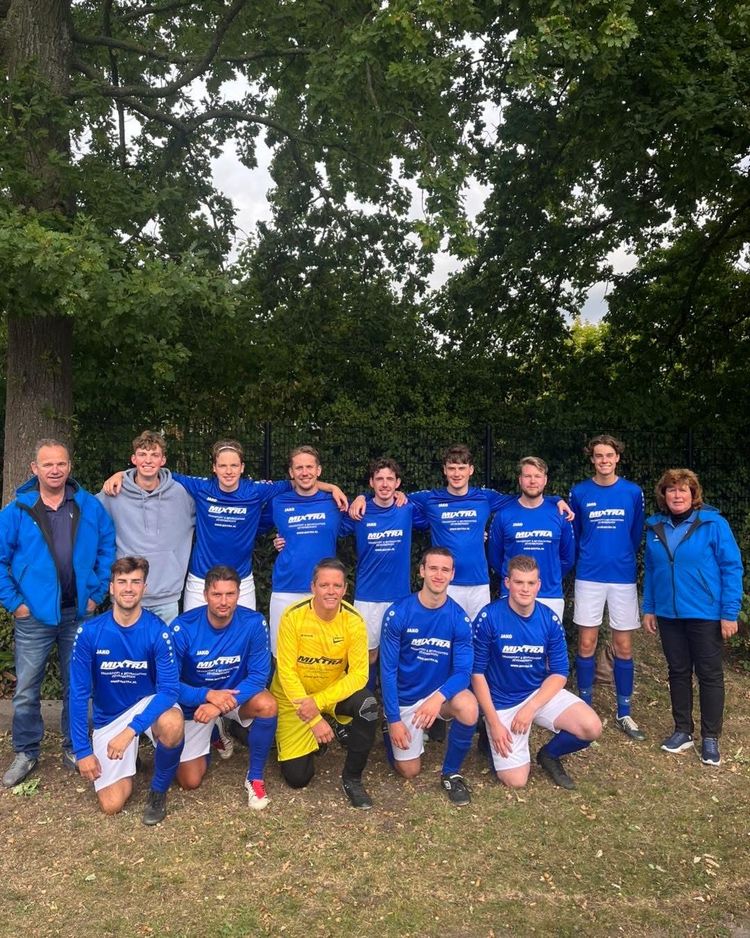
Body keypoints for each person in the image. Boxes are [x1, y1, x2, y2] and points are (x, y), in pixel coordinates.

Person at [103, 439, 346, 614]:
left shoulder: (256, 490)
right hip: (200, 579)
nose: (228, 471)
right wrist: (122, 474)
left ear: (242, 467)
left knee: (242, 638)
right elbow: (153, 471)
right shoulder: (201, 487)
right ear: (214, 468)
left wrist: (332, 487)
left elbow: (299, 481)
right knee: (194, 640)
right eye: (222, 466)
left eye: (234, 466)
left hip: (242, 580)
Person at [0, 439, 116, 788]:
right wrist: (15, 604)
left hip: (78, 614)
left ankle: (74, 746)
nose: (55, 470)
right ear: (34, 468)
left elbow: (107, 548)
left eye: (61, 463)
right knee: (26, 689)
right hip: (33, 617)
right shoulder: (17, 511)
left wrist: (96, 594)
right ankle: (26, 751)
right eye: (47, 464)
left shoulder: (88, 506)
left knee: (77, 685)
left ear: (69, 466)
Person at [352, 444, 571, 622]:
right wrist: (363, 496)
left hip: (478, 584)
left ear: (470, 470)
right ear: (444, 470)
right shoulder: (430, 498)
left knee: (478, 641)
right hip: (444, 582)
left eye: (461, 468)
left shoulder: (485, 497)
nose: (457, 474)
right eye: (452, 468)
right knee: (445, 639)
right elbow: (387, 494)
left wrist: (555, 500)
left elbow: (526, 497)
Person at [68, 556, 184, 824]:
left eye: (135, 582)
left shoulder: (158, 631)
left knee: (172, 722)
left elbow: (169, 690)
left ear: (144, 588)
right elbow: (78, 694)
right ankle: (132, 761)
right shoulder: (89, 632)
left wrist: (130, 731)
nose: (129, 588)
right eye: (122, 582)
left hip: (147, 705)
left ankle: (158, 791)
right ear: (111, 587)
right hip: (110, 717)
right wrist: (82, 750)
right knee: (111, 804)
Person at [472, 555, 601, 790]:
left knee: (591, 727)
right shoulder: (489, 616)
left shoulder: (549, 619)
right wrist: (494, 721)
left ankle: (549, 754)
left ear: (538, 585)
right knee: (516, 781)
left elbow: (559, 673)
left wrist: (530, 709)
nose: (525, 589)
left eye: (531, 583)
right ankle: (488, 734)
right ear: (507, 583)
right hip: (502, 701)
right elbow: (477, 674)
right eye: (519, 582)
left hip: (536, 694)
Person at [642, 469, 744, 766]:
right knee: (678, 671)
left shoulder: (713, 524)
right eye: (671, 490)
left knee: (709, 674)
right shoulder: (655, 526)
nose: (677, 495)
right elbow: (652, 570)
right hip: (668, 613)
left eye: (683, 490)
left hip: (705, 612)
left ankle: (710, 737)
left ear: (693, 494)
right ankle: (682, 730)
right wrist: (650, 607)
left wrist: (729, 613)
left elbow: (731, 568)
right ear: (664, 495)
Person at [270, 558, 378, 809]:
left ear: (345, 589)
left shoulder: (353, 620)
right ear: (313, 587)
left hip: (328, 693)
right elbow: (286, 672)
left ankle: (352, 779)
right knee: (298, 778)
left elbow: (359, 675)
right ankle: (309, 735)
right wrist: (313, 719)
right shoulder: (293, 616)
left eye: (337, 585)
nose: (331, 591)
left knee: (368, 705)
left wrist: (318, 703)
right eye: (324, 585)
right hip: (294, 697)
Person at [170, 565, 277, 808]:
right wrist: (206, 696)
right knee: (189, 781)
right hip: (196, 703)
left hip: (233, 696)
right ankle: (213, 733)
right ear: (205, 594)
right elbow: (169, 684)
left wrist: (219, 706)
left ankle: (255, 778)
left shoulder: (253, 623)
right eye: (217, 594)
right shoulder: (182, 627)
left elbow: (259, 676)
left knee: (267, 704)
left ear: (239, 594)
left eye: (230, 594)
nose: (224, 601)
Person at [379, 547, 478, 805]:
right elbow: (387, 671)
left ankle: (451, 772)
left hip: (438, 697)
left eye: (445, 569)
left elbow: (463, 673)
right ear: (422, 571)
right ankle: (388, 729)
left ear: (452, 574)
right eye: (433, 568)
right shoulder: (398, 613)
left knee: (468, 706)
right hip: (407, 698)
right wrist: (394, 719)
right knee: (409, 771)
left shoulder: (459, 618)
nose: (438, 575)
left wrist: (437, 698)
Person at [568, 434, 646, 741]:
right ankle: (585, 707)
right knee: (586, 643)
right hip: (589, 575)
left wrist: (620, 556)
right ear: (592, 459)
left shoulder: (632, 492)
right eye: (599, 455)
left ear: (617, 458)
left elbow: (635, 534)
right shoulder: (579, 492)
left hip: (622, 577)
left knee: (623, 646)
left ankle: (624, 711)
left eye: (609, 455)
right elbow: (575, 534)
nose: (604, 460)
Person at [339, 457, 427, 688]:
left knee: (398, 655)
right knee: (367, 655)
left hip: (399, 597)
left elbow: (434, 518)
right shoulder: (360, 511)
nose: (385, 484)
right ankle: (367, 703)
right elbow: (330, 529)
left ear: (398, 483)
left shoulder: (407, 508)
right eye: (379, 479)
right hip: (367, 597)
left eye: (390, 479)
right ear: (371, 482)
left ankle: (395, 704)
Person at [97, 430, 195, 624]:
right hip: (126, 594)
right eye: (142, 454)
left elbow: (211, 514)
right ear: (133, 459)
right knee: (125, 645)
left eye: (154, 455)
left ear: (163, 460)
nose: (148, 460)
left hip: (167, 598)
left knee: (164, 645)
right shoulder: (114, 492)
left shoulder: (181, 494)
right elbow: (85, 517)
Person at [264, 446, 350, 654]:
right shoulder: (278, 502)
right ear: (291, 473)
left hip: (324, 589)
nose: (305, 472)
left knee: (321, 654)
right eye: (299, 468)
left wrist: (362, 498)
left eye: (309, 467)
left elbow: (364, 514)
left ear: (318, 470)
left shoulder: (335, 502)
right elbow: (253, 525)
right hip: (286, 588)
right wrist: (278, 541)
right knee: (282, 653)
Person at [488, 456, 575, 620]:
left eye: (537, 476)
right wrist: (517, 581)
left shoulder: (560, 514)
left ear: (545, 480)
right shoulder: (503, 515)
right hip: (512, 595)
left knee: (549, 638)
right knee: (510, 637)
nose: (532, 481)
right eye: (527, 476)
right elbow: (495, 558)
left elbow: (567, 559)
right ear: (520, 480)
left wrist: (550, 576)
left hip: (550, 595)